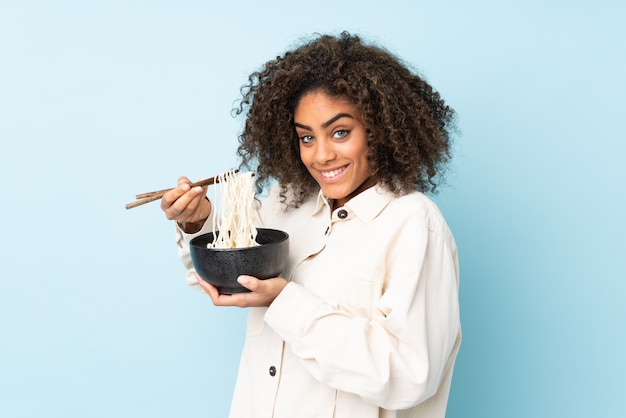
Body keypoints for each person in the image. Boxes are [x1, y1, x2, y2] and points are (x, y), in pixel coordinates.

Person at [161, 32, 461, 418]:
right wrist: (198, 219)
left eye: (340, 132)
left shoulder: (414, 224)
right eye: (306, 137)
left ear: (379, 129)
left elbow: (409, 377)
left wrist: (285, 302)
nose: (321, 155)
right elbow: (232, 276)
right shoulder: (288, 204)